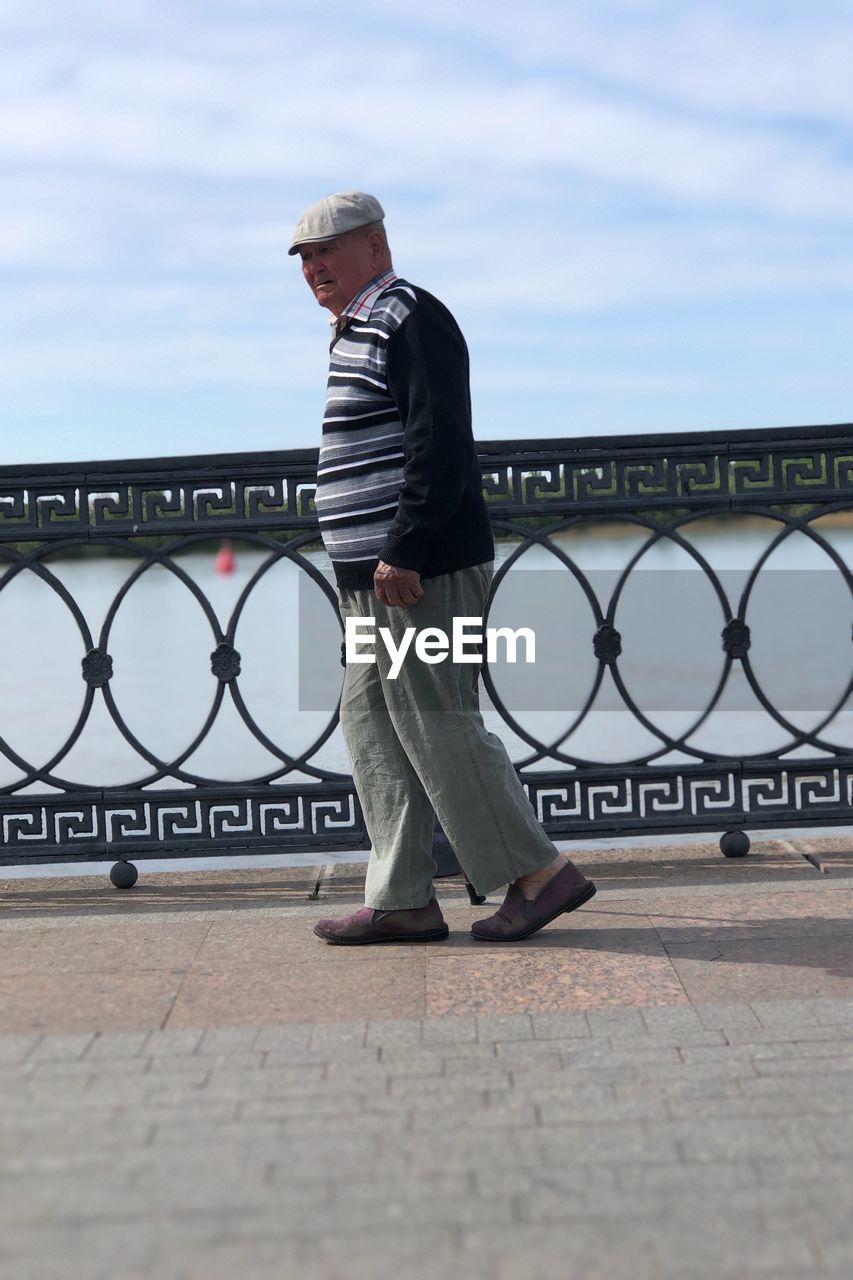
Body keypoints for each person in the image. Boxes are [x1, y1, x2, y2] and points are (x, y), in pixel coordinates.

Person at [289, 191, 595, 944]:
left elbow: (442, 443)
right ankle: (403, 898)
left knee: (437, 721)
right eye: (304, 257)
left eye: (329, 249)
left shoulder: (407, 315)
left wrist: (407, 545)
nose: (315, 266)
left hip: (415, 570)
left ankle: (540, 874)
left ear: (377, 245)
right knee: (372, 726)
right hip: (371, 578)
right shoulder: (353, 330)